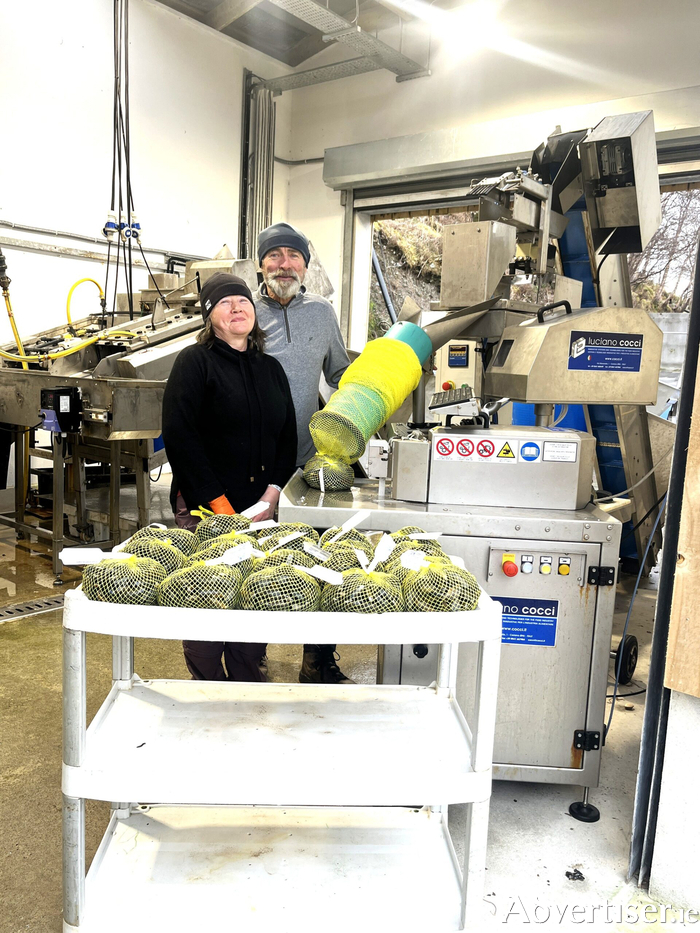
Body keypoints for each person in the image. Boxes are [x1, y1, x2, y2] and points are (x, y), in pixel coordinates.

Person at [162, 272, 297, 682]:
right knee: (208, 592)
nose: (237, 307)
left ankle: (246, 681)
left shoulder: (271, 368)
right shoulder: (195, 362)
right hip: (207, 505)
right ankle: (207, 686)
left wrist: (274, 492)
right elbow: (180, 436)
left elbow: (287, 435)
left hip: (261, 506)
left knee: (256, 592)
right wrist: (216, 504)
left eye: (243, 301)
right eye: (225, 302)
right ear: (209, 317)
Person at [254, 221, 354, 686]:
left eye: (293, 256)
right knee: (256, 562)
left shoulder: (322, 313)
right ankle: (251, 652)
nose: (284, 264)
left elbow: (339, 374)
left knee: (318, 562)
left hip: (308, 462)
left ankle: (318, 658)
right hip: (253, 462)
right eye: (274, 255)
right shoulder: (242, 310)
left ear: (306, 265)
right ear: (261, 264)